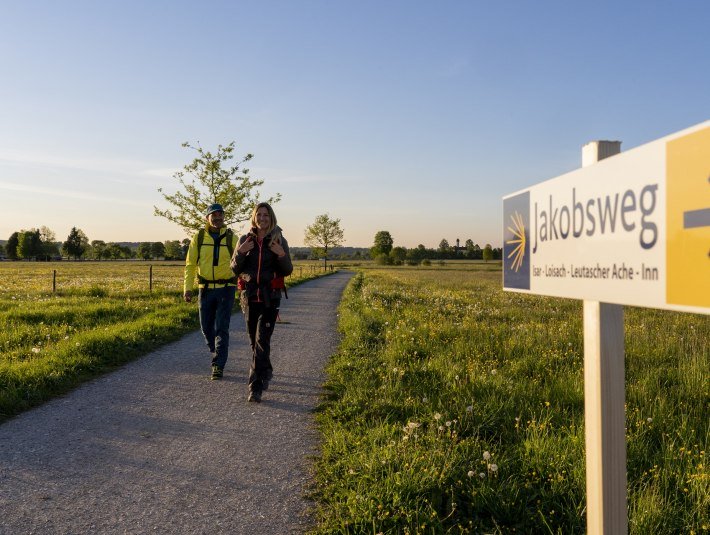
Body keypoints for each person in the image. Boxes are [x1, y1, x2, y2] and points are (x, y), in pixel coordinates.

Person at [231, 202, 293, 402]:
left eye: (266, 215)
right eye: (259, 215)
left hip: (270, 298)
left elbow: (287, 270)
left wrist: (281, 254)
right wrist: (241, 252)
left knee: (262, 340)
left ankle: (255, 387)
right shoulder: (244, 239)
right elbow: (234, 268)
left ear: (271, 217)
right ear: (254, 217)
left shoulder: (278, 239)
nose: (263, 218)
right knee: (253, 341)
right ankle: (266, 370)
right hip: (249, 297)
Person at [184, 203, 238, 380]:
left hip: (226, 289)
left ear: (224, 217)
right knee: (206, 327)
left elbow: (240, 262)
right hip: (205, 289)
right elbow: (191, 265)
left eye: (220, 215)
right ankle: (216, 348)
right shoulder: (198, 237)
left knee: (222, 327)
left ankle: (218, 365)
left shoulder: (232, 238)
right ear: (207, 218)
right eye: (213, 215)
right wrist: (188, 288)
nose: (217, 218)